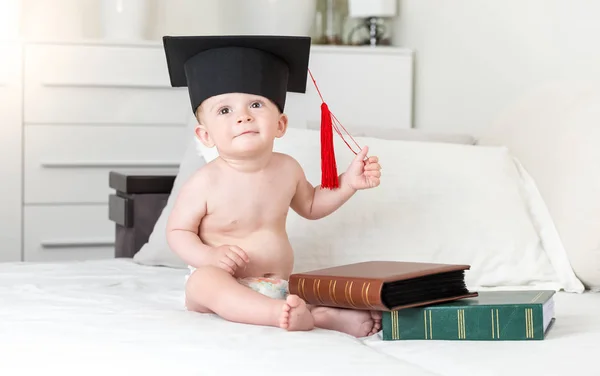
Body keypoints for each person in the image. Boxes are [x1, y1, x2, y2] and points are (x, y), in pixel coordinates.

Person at [163, 35, 382, 337]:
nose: (243, 116)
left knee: (300, 290)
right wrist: (208, 257)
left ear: (280, 124)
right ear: (205, 135)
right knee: (203, 282)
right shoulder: (204, 181)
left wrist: (347, 184)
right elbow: (178, 232)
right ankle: (275, 313)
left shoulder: (287, 168)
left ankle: (314, 315)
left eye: (256, 104)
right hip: (223, 281)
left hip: (278, 284)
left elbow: (312, 205)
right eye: (225, 111)